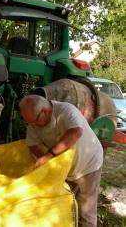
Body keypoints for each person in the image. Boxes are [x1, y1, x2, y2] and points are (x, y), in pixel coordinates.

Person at [19, 95, 103, 227]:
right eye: (28, 122)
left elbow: (75, 132)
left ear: (45, 111)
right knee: (63, 204)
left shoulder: (66, 110)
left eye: (34, 121)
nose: (32, 125)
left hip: (89, 164)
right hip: (65, 170)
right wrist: (48, 163)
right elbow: (32, 144)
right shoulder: (33, 123)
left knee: (87, 212)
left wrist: (49, 156)